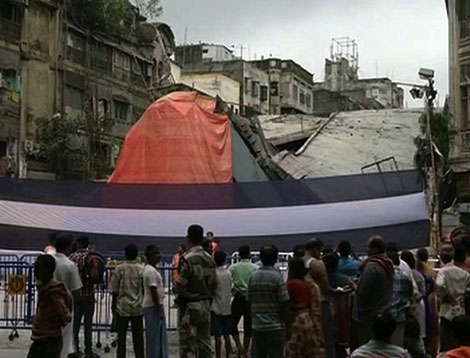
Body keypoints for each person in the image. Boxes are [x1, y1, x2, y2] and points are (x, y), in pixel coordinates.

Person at [176, 224, 217, 358]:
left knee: (188, 346)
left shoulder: (187, 259)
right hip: (205, 304)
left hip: (190, 306)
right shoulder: (209, 259)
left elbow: (181, 285)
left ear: (188, 238)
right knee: (205, 345)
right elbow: (213, 285)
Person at [351, 235, 394, 350]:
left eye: (369, 247)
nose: (367, 249)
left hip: (368, 315)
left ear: (376, 248)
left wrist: (354, 286)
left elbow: (362, 291)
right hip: (384, 311)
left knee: (368, 348)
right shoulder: (387, 264)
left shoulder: (371, 267)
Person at [248, 245, 291, 358]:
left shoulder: (253, 277)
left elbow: (249, 300)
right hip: (274, 326)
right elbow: (284, 302)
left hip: (257, 326)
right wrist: (286, 325)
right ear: (275, 258)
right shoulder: (277, 278)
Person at [304, 238, 345, 358]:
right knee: (327, 336)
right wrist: (339, 292)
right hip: (321, 302)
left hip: (307, 304)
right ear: (316, 248)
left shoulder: (301, 262)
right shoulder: (317, 264)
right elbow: (326, 289)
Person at [27, 255, 72, 358]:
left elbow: (66, 315)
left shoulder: (53, 292)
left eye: (38, 269)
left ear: (47, 270)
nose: (35, 272)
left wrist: (54, 322)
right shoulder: (45, 287)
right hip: (42, 338)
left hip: (49, 341)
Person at [110, 244, 144, 358]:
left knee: (121, 338)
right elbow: (143, 289)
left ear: (125, 255)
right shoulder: (141, 269)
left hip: (122, 308)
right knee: (138, 339)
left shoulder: (119, 269)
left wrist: (113, 305)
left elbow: (114, 289)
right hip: (137, 308)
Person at [285, 256, 323, 358]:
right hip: (308, 320)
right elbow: (315, 308)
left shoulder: (291, 284)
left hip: (295, 321)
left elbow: (286, 305)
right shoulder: (311, 285)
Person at [53, 233, 83, 358]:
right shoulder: (70, 265)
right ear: (68, 246)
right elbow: (76, 289)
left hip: (48, 304)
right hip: (66, 304)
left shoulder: (49, 261)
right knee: (65, 337)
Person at [69, 236, 99, 358]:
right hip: (88, 294)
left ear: (78, 243)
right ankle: (88, 351)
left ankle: (74, 349)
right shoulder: (91, 256)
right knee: (88, 324)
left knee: (75, 325)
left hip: (75, 296)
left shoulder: (71, 257)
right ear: (87, 244)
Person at [436, 244, 470, 352]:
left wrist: (446, 295)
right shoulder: (465, 274)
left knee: (446, 343)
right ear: (464, 259)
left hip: (446, 311)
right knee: (460, 343)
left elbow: (440, 284)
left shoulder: (444, 271)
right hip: (460, 311)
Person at [229, 245, 257, 358]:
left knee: (232, 323)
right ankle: (245, 350)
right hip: (250, 298)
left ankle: (239, 346)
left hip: (238, 297)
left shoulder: (233, 267)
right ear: (249, 254)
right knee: (248, 326)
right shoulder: (255, 268)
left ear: (239, 255)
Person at [143, 245, 168, 358]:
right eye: (156, 253)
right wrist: (158, 309)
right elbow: (153, 291)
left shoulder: (152, 269)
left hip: (154, 306)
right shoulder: (151, 271)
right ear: (151, 256)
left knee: (158, 335)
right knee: (154, 336)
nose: (159, 255)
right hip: (153, 306)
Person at [386, 250, 413, 347]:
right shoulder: (405, 276)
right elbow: (410, 294)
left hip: (383, 318)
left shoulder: (383, 275)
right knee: (397, 347)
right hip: (400, 317)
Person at [211, 251, 232, 358]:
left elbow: (211, 289)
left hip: (216, 308)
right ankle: (228, 355)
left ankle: (218, 355)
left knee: (217, 336)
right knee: (227, 335)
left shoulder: (214, 274)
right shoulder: (228, 274)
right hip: (227, 308)